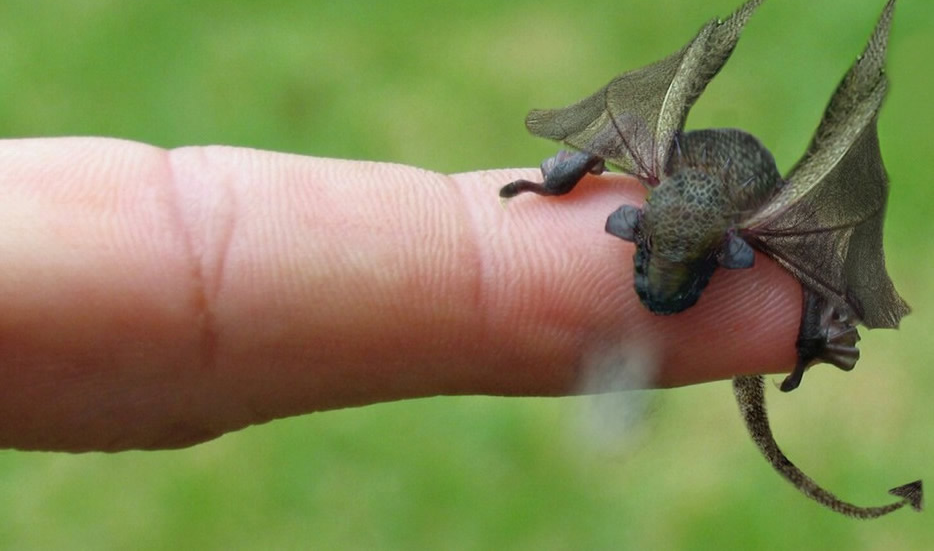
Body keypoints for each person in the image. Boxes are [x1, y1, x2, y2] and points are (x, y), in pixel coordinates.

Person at [0, 138, 800, 452]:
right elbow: (596, 146)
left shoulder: (748, 233)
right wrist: (550, 182)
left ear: (731, 255)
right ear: (632, 226)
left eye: (682, 272)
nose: (660, 284)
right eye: (656, 261)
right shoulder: (647, 174)